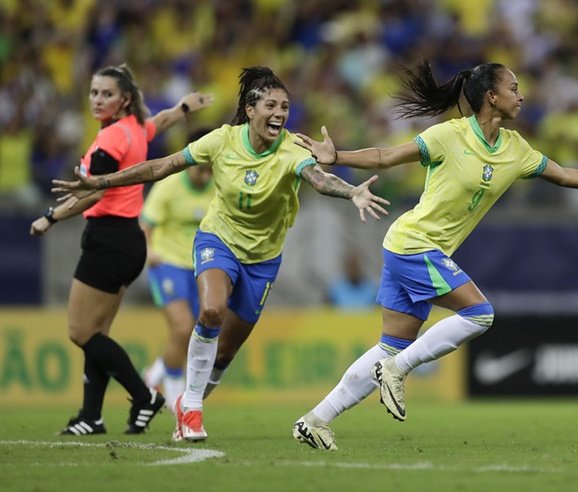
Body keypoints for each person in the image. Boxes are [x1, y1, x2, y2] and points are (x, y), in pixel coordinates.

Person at [291, 58, 578, 450]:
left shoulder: (516, 149)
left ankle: (315, 420)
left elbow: (566, 174)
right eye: (514, 88)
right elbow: (387, 156)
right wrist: (338, 157)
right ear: (491, 96)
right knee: (479, 314)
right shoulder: (448, 136)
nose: (522, 95)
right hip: (414, 244)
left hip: (413, 249)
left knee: (390, 345)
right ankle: (396, 370)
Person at [51, 66, 390, 443]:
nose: (279, 113)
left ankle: (187, 404)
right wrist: (102, 181)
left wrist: (351, 192)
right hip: (218, 240)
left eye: (285, 107)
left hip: (263, 258)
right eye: (271, 105)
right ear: (250, 109)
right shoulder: (221, 141)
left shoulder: (294, 147)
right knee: (211, 310)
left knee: (226, 349)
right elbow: (160, 167)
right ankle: (192, 408)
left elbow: (319, 178)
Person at [30, 64, 213, 435]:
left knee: (81, 333)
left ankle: (144, 395)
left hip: (108, 241)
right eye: (94, 93)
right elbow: (157, 124)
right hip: (127, 241)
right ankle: (91, 416)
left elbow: (95, 190)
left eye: (107, 94)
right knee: (97, 333)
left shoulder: (113, 137)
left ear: (125, 99)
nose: (98, 100)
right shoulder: (134, 130)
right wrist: (183, 109)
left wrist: (51, 217)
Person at [140, 128, 215, 409]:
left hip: (201, 268)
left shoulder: (219, 185)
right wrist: (148, 251)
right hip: (167, 263)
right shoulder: (169, 185)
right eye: (202, 171)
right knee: (182, 328)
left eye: (211, 171)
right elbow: (146, 224)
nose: (206, 176)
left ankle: (154, 374)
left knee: (196, 331)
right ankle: (174, 402)